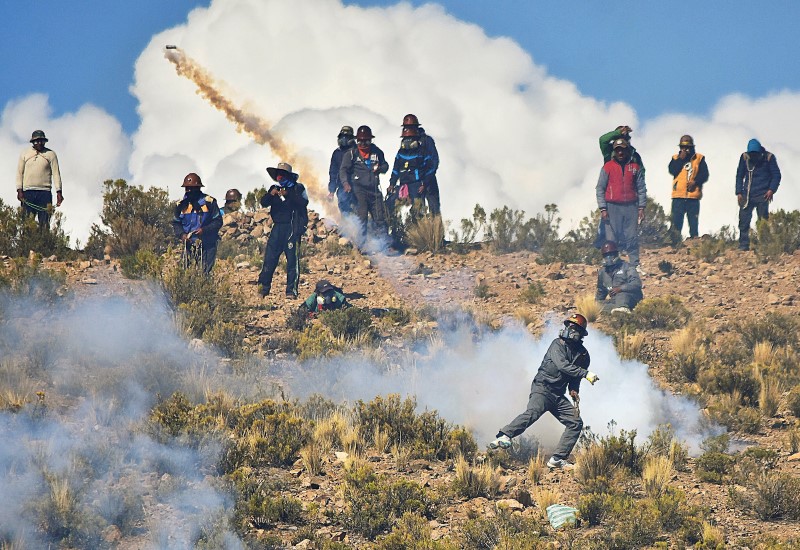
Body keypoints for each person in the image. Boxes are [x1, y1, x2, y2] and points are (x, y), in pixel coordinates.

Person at [488, 314, 599, 469]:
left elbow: (574, 378)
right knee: (533, 412)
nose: (568, 330)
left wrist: (574, 390)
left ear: (580, 333)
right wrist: (585, 374)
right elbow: (562, 365)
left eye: (572, 328)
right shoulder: (557, 345)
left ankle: (558, 459)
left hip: (558, 395)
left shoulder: (583, 355)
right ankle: (504, 435)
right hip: (542, 388)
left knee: (575, 423)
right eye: (568, 326)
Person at [257, 162, 309, 298]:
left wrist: (289, 194)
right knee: (269, 259)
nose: (280, 178)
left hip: (292, 228)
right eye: (278, 175)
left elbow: (303, 203)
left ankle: (291, 291)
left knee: (292, 261)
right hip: (277, 228)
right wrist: (271, 194)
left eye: (283, 175)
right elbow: (264, 202)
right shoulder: (274, 188)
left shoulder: (298, 188)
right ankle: (263, 289)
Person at [596, 138, 647, 268]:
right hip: (612, 206)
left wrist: (641, 207)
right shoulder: (608, 167)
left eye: (622, 150)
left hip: (631, 206)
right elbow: (600, 188)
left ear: (627, 150)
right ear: (614, 151)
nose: (620, 153)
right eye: (617, 150)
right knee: (611, 237)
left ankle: (635, 264)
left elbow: (641, 188)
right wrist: (603, 208)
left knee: (632, 237)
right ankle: (612, 264)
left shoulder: (635, 167)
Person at [338, 125, 390, 247]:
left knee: (380, 218)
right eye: (360, 141)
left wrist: (380, 169)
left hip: (374, 191)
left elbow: (385, 166)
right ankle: (361, 245)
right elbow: (343, 170)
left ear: (371, 140)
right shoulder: (351, 154)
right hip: (358, 190)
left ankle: (386, 246)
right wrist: (346, 184)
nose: (363, 144)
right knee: (362, 218)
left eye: (366, 141)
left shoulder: (377, 153)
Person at [735, 138, 781, 251]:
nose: (753, 156)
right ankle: (743, 245)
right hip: (747, 194)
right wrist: (739, 192)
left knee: (763, 221)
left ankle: (764, 246)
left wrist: (771, 190)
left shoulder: (769, 158)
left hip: (763, 195)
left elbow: (776, 175)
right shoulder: (745, 158)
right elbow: (739, 175)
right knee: (744, 221)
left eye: (755, 154)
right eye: (752, 154)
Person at [172, 173, 223, 273]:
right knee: (184, 273)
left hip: (207, 245)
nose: (189, 191)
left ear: (198, 188)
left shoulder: (209, 202)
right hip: (189, 245)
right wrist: (182, 235)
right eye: (187, 188)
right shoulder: (181, 205)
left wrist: (204, 230)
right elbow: (176, 223)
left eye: (192, 188)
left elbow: (218, 221)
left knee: (205, 274)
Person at [388, 124, 434, 228]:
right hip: (403, 185)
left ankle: (419, 234)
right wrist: (392, 184)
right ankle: (395, 230)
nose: (407, 141)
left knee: (417, 210)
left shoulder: (422, 152)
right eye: (405, 138)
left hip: (416, 185)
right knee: (390, 204)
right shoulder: (400, 153)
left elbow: (429, 169)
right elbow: (395, 170)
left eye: (410, 139)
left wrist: (424, 183)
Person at [16, 130, 63, 229]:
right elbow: (19, 173)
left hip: (44, 193)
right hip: (28, 192)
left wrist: (59, 192)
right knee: (27, 223)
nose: (39, 143)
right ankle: (27, 244)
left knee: (44, 223)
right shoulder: (25, 153)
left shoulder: (51, 154)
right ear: (33, 142)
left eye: (41, 141)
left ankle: (45, 243)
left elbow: (56, 174)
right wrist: (19, 191)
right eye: (37, 141)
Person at [668, 135, 709, 239]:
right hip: (678, 196)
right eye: (682, 147)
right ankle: (674, 242)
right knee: (676, 221)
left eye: (687, 147)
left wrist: (695, 182)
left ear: (692, 147)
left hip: (693, 196)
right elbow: (672, 170)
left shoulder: (699, 159)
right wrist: (680, 160)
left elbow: (704, 174)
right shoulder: (675, 158)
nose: (685, 149)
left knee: (693, 222)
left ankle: (694, 241)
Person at [401, 114, 441, 216]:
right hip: (414, 182)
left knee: (434, 209)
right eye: (406, 127)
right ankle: (418, 230)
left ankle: (436, 230)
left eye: (411, 127)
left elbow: (434, 161)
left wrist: (426, 180)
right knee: (417, 211)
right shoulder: (404, 142)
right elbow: (403, 163)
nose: (408, 130)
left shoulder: (427, 141)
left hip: (429, 180)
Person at [595, 241, 643, 314]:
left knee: (622, 295)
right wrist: (596, 303)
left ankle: (623, 309)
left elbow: (636, 284)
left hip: (631, 298)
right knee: (596, 306)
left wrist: (620, 288)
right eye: (606, 255)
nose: (609, 257)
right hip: (615, 301)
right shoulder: (602, 272)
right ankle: (618, 310)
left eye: (611, 254)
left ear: (617, 254)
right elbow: (601, 291)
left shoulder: (627, 267)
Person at [328, 126, 357, 215]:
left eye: (347, 137)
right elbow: (333, 172)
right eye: (342, 136)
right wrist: (332, 191)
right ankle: (348, 226)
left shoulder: (357, 151)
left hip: (357, 186)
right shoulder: (337, 153)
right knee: (344, 209)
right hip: (342, 187)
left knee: (359, 211)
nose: (344, 139)